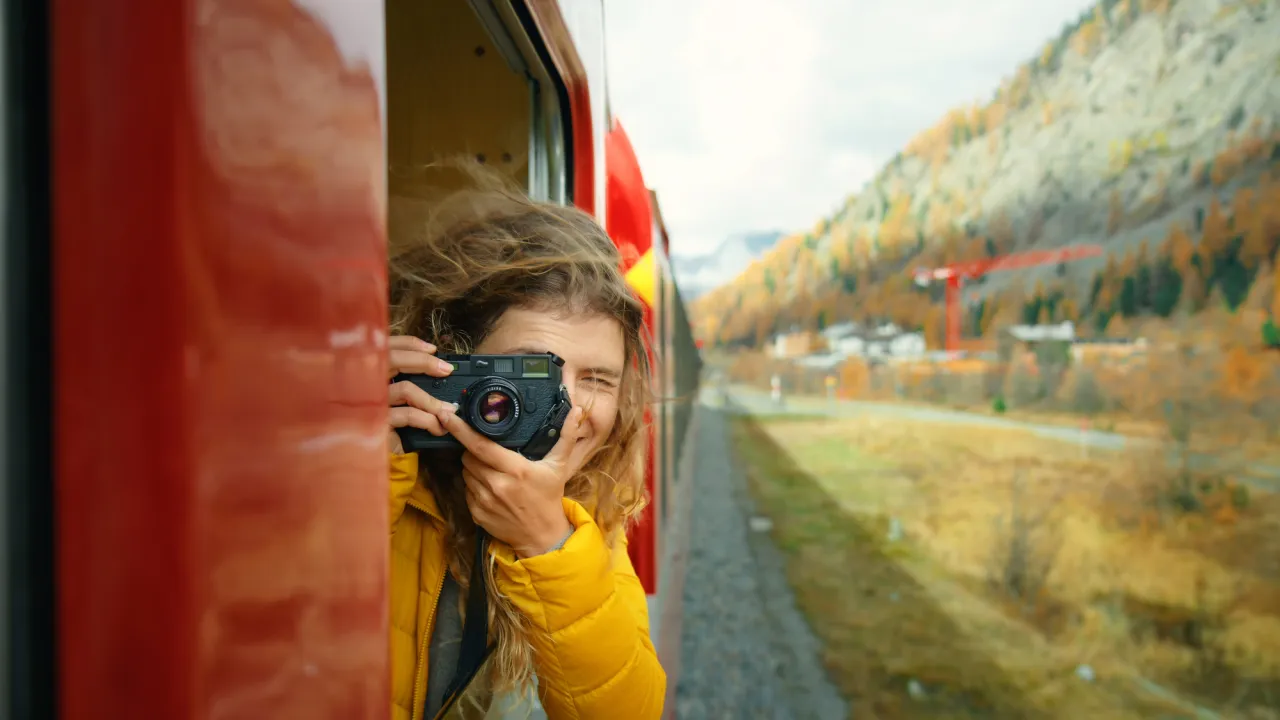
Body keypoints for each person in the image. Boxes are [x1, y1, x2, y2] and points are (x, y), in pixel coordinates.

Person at [384, 179, 666, 720]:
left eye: (598, 381)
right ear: (454, 367)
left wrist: (548, 545)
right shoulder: (385, 473)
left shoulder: (589, 522)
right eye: (533, 375)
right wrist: (344, 465)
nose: (568, 411)